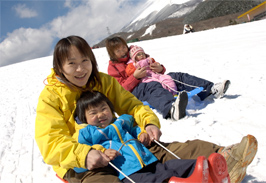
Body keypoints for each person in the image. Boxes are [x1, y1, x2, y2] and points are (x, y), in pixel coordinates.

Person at [35, 35, 257, 183]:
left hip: (120, 142)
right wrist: (85, 155)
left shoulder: (102, 81)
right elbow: (50, 141)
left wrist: (148, 123)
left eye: (85, 60)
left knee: (161, 150)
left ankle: (223, 158)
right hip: (82, 163)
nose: (81, 68)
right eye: (72, 63)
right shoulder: (51, 97)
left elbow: (132, 105)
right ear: (59, 67)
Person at [73, 91, 230, 183]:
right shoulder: (86, 134)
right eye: (93, 113)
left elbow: (134, 131)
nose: (100, 114)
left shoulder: (120, 123)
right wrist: (100, 153)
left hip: (149, 160)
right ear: (84, 118)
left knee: (174, 166)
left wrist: (141, 133)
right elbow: (81, 159)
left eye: (104, 109)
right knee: (161, 178)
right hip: (130, 174)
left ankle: (205, 170)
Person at [106, 36, 231, 121]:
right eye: (118, 50)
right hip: (136, 89)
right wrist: (134, 77)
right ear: (112, 54)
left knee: (176, 76)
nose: (123, 51)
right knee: (153, 86)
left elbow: (150, 64)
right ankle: (171, 110)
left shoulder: (134, 52)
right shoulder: (113, 68)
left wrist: (160, 69)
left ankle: (211, 89)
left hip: (152, 77)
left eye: (123, 47)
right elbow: (120, 89)